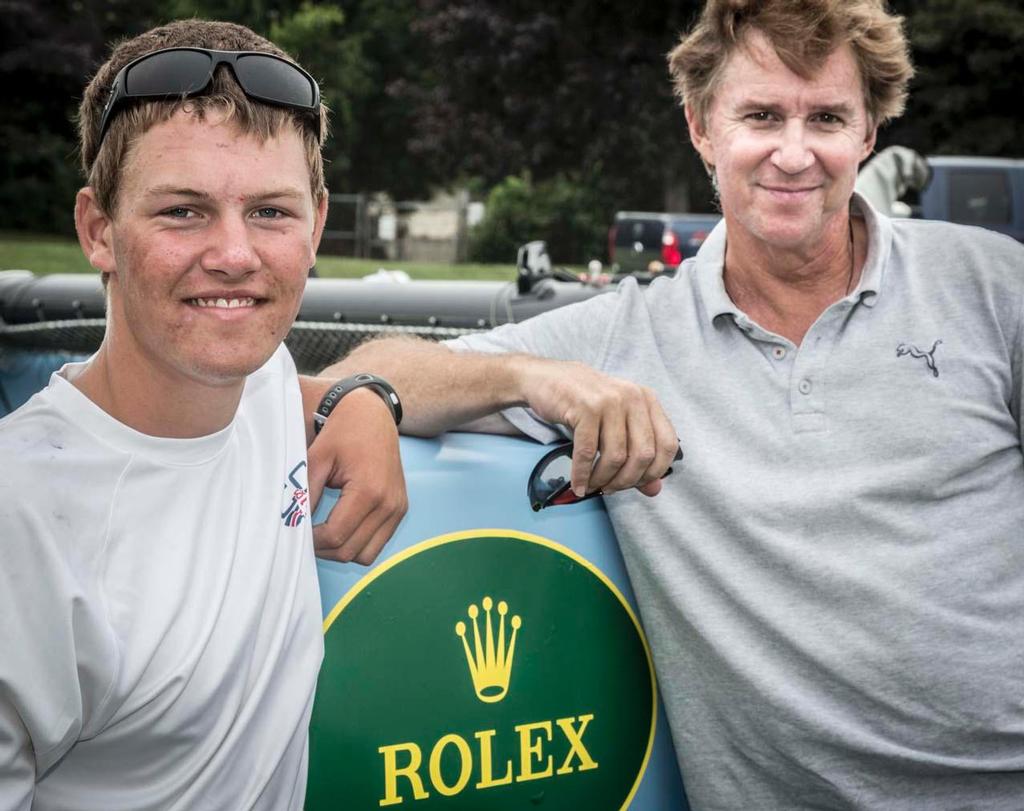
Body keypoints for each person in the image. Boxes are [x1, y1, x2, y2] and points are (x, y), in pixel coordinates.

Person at [323, 0, 1024, 807]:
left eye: (827, 117)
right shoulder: (625, 337)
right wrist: (532, 377)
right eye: (760, 115)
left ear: (868, 135)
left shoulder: (991, 283)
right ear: (701, 129)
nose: (794, 153)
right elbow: (376, 365)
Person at [0, 20, 406, 810]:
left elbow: (430, 374)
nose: (234, 254)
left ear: (316, 225)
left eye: (271, 213)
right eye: (183, 211)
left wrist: (367, 398)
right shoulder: (20, 521)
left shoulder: (263, 385)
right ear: (97, 231)